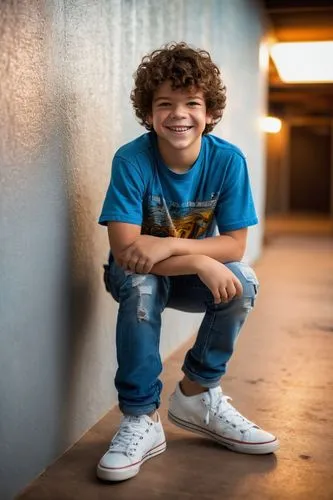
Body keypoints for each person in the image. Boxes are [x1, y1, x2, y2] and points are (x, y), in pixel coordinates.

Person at [97, 41, 279, 482]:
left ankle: (196, 395)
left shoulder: (227, 161)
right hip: (136, 273)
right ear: (148, 112)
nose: (178, 114)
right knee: (142, 286)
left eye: (191, 103)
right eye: (165, 104)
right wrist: (198, 260)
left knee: (243, 281)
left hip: (175, 267)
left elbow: (234, 246)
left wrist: (167, 246)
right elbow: (126, 251)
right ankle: (141, 417)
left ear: (209, 112)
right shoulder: (132, 160)